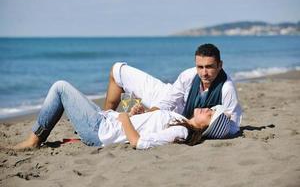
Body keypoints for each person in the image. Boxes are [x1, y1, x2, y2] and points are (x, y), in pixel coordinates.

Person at [13, 80, 232, 150]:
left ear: (206, 126)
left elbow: (140, 143)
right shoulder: (181, 122)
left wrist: (125, 119)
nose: (207, 108)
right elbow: (148, 129)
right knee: (127, 93)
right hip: (106, 121)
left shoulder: (182, 130)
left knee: (60, 87)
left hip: (100, 130)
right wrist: (138, 115)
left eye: (211, 113)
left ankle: (34, 140)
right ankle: (37, 137)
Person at [104, 43, 242, 136]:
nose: (204, 73)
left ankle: (108, 127)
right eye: (200, 67)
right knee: (117, 71)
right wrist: (147, 113)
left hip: (180, 122)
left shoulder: (226, 88)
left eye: (210, 67)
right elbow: (168, 101)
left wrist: (202, 131)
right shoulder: (188, 75)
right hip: (168, 99)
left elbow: (234, 127)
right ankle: (103, 119)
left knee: (137, 115)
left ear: (220, 65)